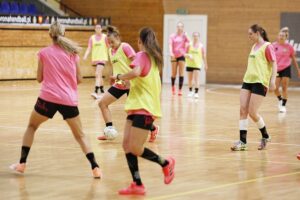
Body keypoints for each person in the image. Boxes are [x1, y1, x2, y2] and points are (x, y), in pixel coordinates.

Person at [9, 21, 101, 178]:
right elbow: (79, 79)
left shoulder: (44, 53)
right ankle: (95, 167)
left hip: (47, 99)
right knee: (81, 136)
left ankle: (22, 164)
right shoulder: (73, 54)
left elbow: (39, 78)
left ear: (50, 35)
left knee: (31, 126)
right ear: (64, 34)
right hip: (68, 100)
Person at [112, 27, 175, 195]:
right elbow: (141, 80)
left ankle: (165, 163)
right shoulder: (153, 59)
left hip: (144, 108)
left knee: (135, 147)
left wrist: (119, 77)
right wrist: (129, 83)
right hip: (136, 107)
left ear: (140, 42)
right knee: (126, 145)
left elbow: (135, 72)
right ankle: (137, 183)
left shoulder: (141, 56)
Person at [97, 25, 159, 142]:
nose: (110, 44)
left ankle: (153, 128)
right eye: (108, 43)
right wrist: (113, 77)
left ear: (118, 37)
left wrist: (129, 81)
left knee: (136, 112)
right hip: (120, 82)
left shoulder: (125, 47)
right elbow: (115, 67)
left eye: (112, 42)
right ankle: (109, 130)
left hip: (132, 82)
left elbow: (137, 65)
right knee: (102, 103)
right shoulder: (111, 51)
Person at [231, 24, 277, 151]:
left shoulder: (268, 46)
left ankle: (265, 136)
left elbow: (274, 64)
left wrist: (272, 80)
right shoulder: (253, 46)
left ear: (258, 33)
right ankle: (243, 141)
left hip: (260, 82)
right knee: (242, 110)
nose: (249, 36)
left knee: (252, 112)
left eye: (250, 34)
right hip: (248, 81)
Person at [272, 27, 300, 113]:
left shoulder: (289, 47)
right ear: (278, 36)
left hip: (286, 68)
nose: (281, 37)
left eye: (283, 36)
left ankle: (283, 106)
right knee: (275, 88)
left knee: (284, 87)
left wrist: (298, 70)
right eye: (280, 35)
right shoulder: (273, 46)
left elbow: (293, 59)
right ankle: (280, 99)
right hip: (277, 68)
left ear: (286, 37)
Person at [83, 24, 109, 99]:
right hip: (95, 60)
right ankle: (102, 91)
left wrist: (112, 56)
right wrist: (85, 55)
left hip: (102, 58)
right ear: (95, 29)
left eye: (99, 28)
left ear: (101, 29)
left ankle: (96, 91)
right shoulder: (92, 38)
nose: (98, 29)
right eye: (96, 28)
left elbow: (109, 47)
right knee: (99, 75)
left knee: (97, 74)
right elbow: (89, 48)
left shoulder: (105, 37)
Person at [169, 22, 190, 96]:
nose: (179, 28)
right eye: (178, 26)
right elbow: (170, 45)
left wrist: (186, 35)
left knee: (181, 73)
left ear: (183, 28)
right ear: (176, 27)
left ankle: (180, 90)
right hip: (174, 55)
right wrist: (171, 53)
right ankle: (173, 87)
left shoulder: (184, 36)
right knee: (174, 73)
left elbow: (189, 42)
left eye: (181, 26)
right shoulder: (172, 36)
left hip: (182, 55)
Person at [185, 32, 208, 98]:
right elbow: (185, 54)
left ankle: (196, 92)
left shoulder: (201, 46)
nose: (195, 37)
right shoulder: (189, 45)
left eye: (197, 36)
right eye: (194, 36)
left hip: (197, 65)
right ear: (192, 37)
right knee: (190, 79)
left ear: (198, 37)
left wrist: (205, 64)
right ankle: (190, 91)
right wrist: (188, 55)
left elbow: (204, 56)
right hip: (189, 64)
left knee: (196, 79)